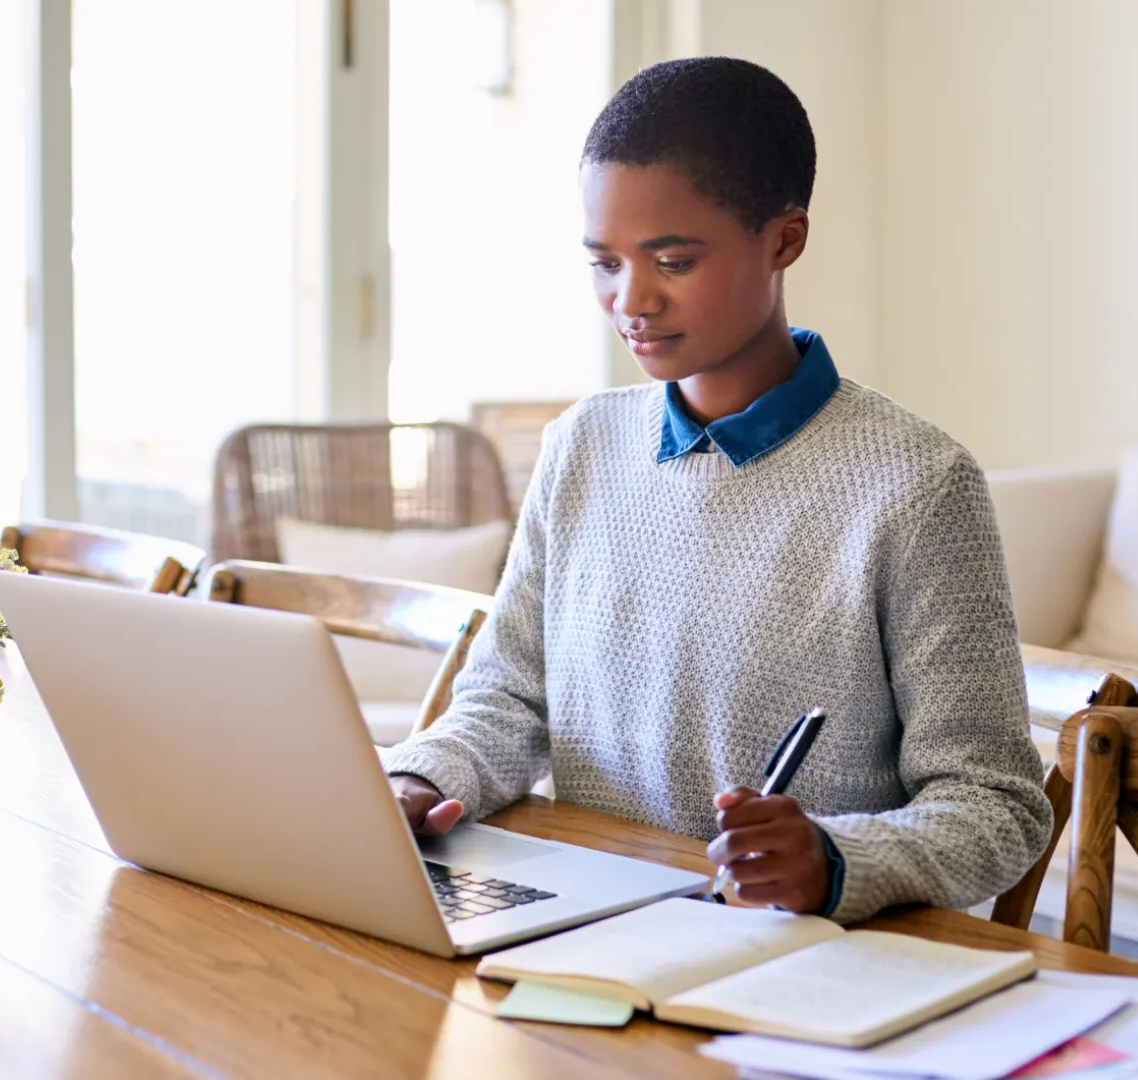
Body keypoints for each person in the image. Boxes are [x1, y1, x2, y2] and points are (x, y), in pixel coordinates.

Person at [384, 57, 1051, 922]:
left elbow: (997, 808)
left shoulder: (919, 487)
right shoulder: (580, 444)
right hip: (571, 925)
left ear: (784, 240)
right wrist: (419, 776)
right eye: (604, 263)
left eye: (671, 259)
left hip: (788, 960)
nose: (632, 301)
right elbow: (507, 699)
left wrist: (835, 859)